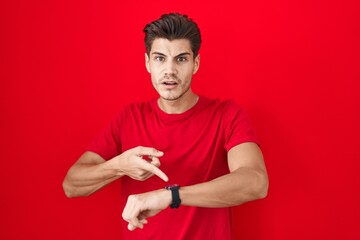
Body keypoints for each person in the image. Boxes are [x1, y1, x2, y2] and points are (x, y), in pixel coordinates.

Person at [63, 13, 268, 239]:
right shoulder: (129, 118)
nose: (169, 70)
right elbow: (71, 185)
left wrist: (171, 196)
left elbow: (255, 182)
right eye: (160, 58)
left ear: (195, 63)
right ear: (147, 62)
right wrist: (119, 166)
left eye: (181, 59)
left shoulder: (226, 115)